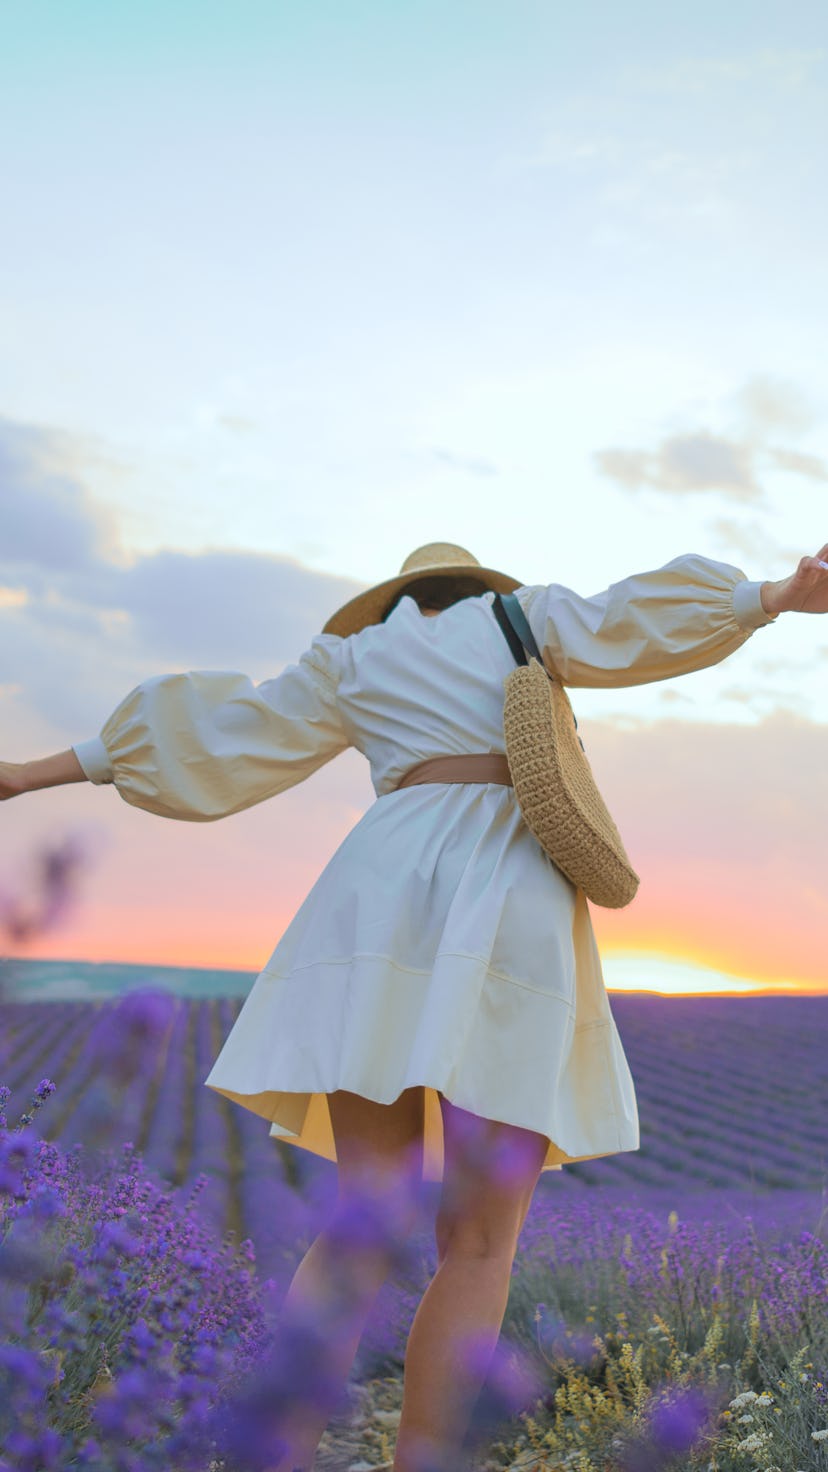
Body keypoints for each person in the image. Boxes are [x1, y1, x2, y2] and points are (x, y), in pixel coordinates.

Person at [2, 539, 827, 1472]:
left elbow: (217, 731)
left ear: (400, 599)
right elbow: (632, 620)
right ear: (479, 589)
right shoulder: (525, 621)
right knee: (476, 1241)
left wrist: (31, 772)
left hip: (373, 901)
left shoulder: (348, 660)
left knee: (363, 1216)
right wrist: (770, 597)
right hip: (505, 904)